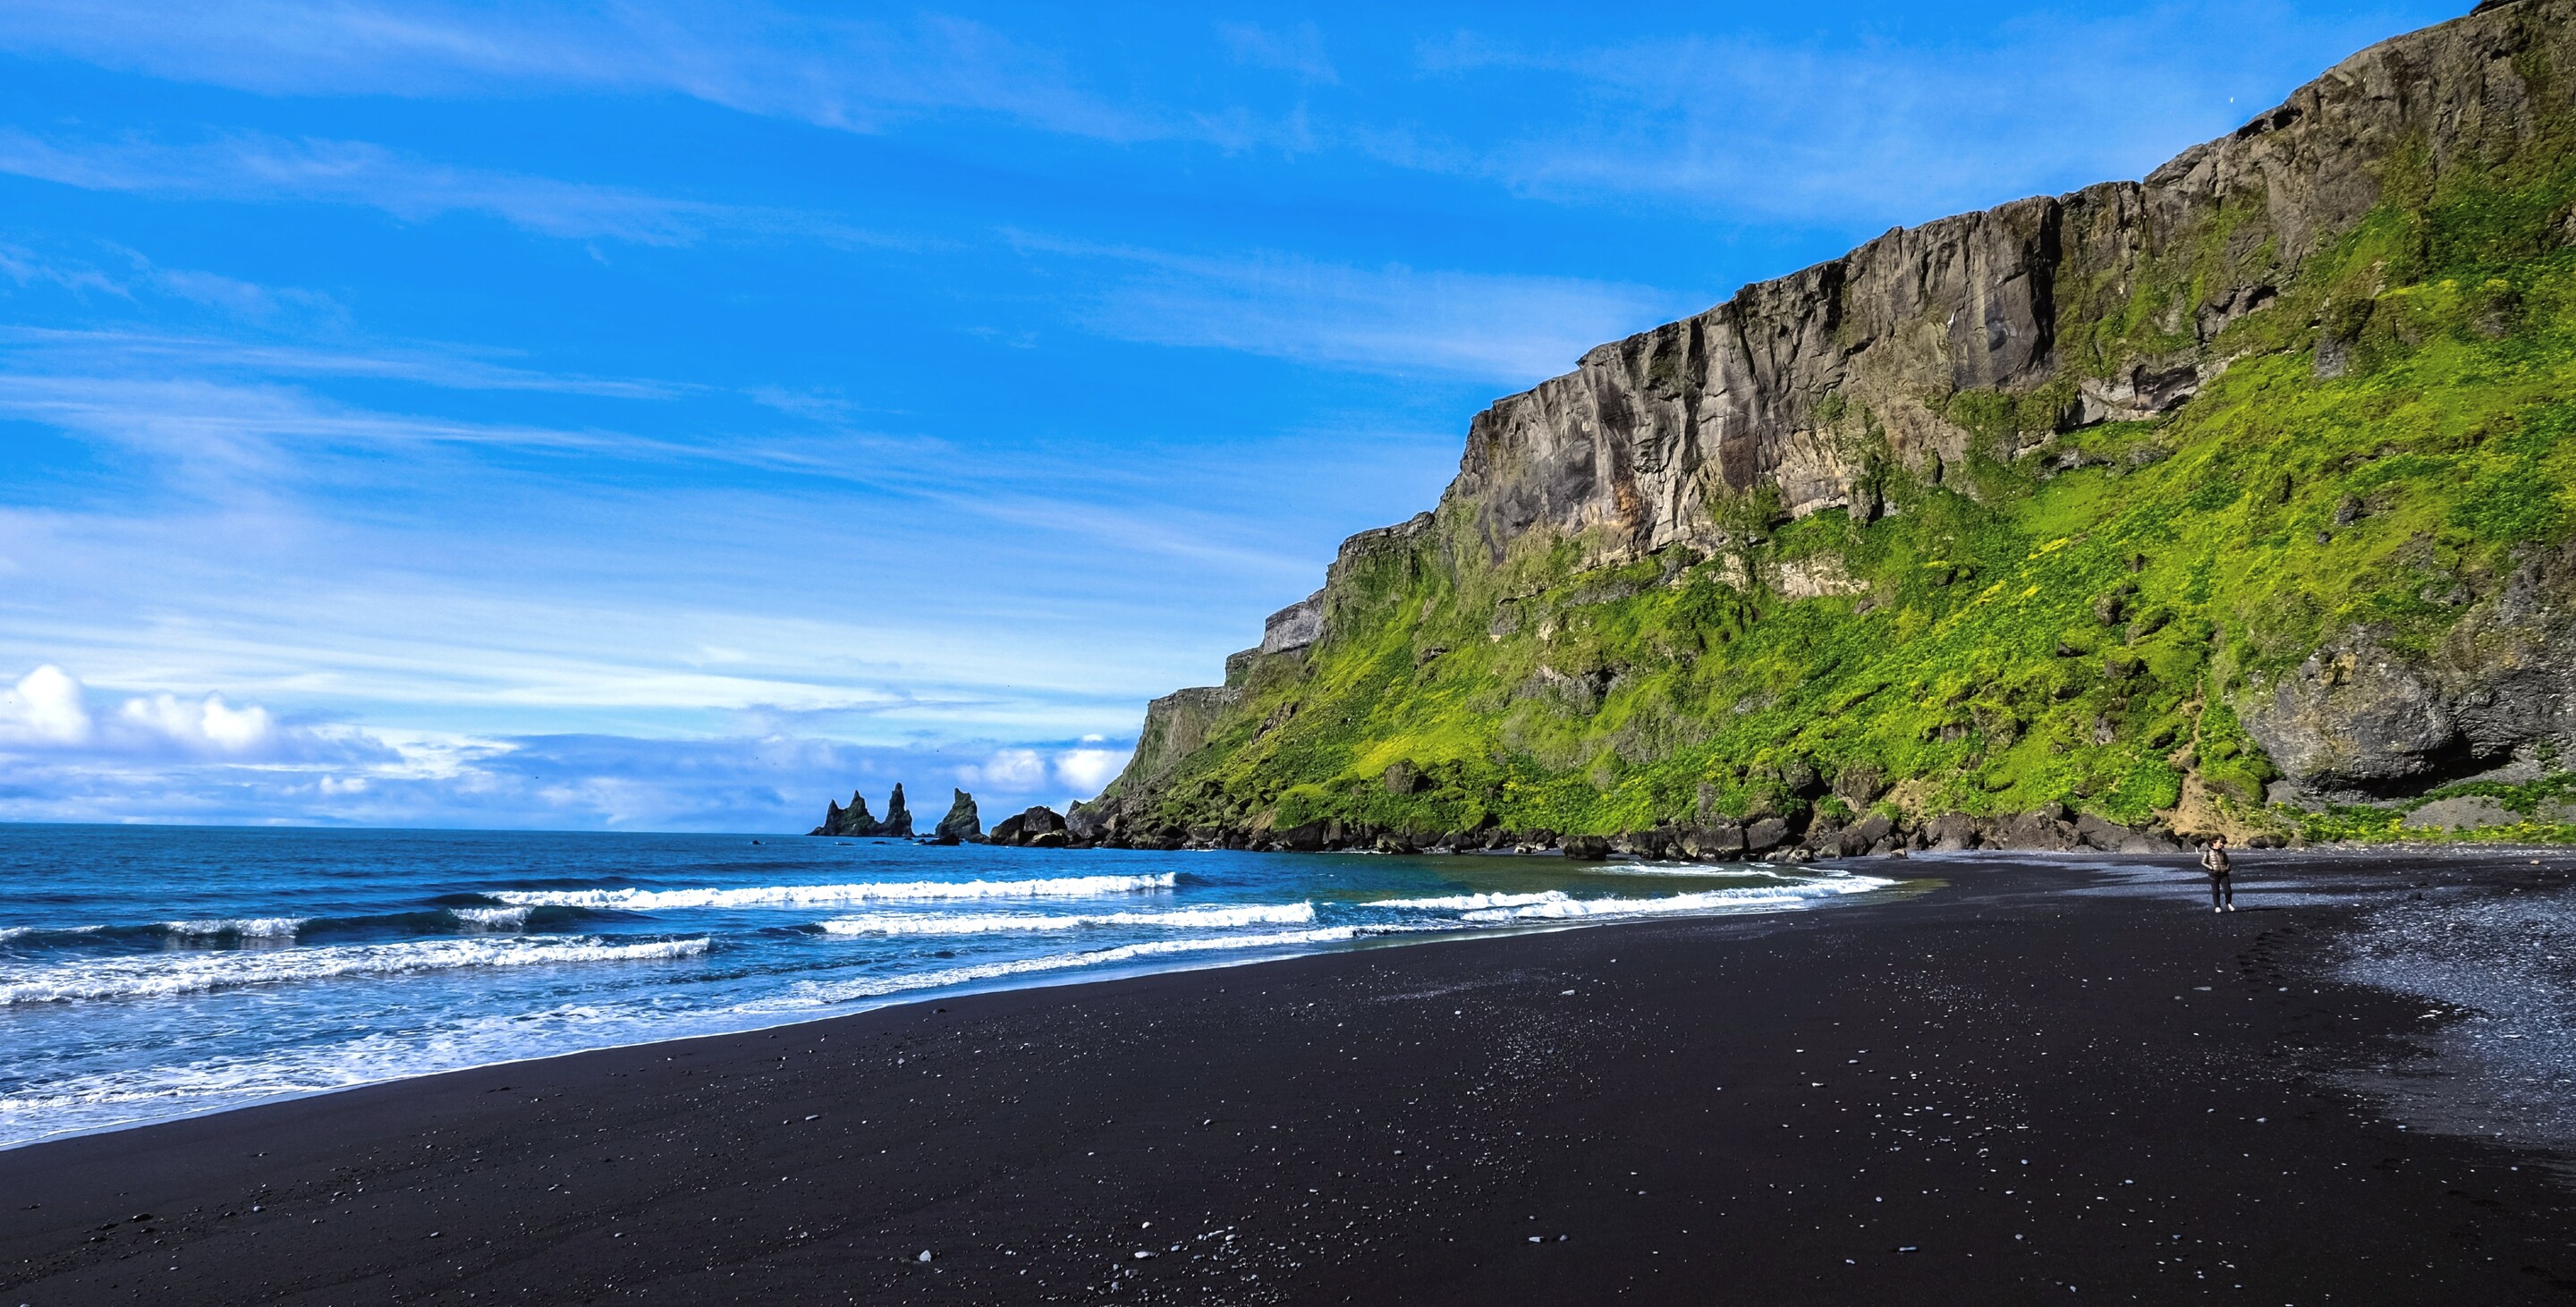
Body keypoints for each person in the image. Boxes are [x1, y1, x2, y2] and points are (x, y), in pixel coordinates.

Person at [2199, 835, 2233, 913]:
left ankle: (2228, 903)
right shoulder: (2208, 852)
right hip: (2213, 874)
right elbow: (2203, 862)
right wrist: (2211, 868)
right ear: (2213, 843)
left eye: (2222, 843)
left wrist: (2227, 868)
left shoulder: (2223, 853)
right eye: (2220, 842)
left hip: (2224, 874)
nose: (2222, 844)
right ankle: (2217, 906)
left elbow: (2228, 862)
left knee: (2228, 891)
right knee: (2215, 891)